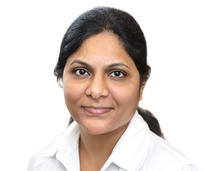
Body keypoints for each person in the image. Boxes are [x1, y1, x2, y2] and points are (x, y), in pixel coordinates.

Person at [28, 7, 201, 171]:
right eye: (81, 71)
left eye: (117, 74)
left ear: (142, 84)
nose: (96, 91)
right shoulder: (42, 163)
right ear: (61, 75)